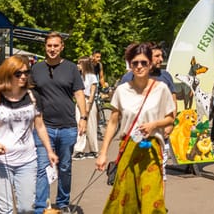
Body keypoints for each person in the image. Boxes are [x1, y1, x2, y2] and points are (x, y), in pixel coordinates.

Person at [95, 42, 175, 213]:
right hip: (129, 148)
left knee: (152, 201)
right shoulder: (122, 91)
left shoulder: (161, 89)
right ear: (130, 65)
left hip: (152, 150)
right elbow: (113, 122)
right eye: (135, 63)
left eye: (143, 62)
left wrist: (154, 124)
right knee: (125, 198)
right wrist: (103, 153)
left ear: (150, 64)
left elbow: (171, 119)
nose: (139, 67)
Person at [0, 55, 58, 214]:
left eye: (26, 72)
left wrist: (50, 151)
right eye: (18, 73)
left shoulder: (33, 97)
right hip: (0, 162)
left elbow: (40, 126)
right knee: (5, 210)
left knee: (26, 208)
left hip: (27, 161)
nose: (23, 76)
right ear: (8, 74)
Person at [30, 32, 87, 214]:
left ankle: (62, 203)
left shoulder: (71, 68)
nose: (52, 49)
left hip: (67, 127)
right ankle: (41, 207)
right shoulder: (36, 69)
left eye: (56, 46)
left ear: (62, 47)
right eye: (49, 46)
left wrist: (83, 118)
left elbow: (79, 94)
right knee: (42, 167)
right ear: (45, 47)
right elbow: (29, 93)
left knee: (64, 167)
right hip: (43, 126)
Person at [73, 56, 99, 160]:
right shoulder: (78, 76)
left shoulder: (92, 76)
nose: (77, 65)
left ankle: (94, 150)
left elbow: (92, 92)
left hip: (88, 101)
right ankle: (79, 150)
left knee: (91, 126)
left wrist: (89, 105)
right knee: (80, 125)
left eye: (79, 63)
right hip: (80, 101)